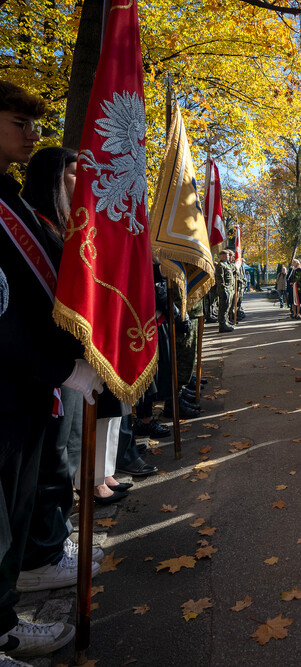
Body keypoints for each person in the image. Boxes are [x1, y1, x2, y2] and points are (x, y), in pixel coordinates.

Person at [0, 80, 105, 660]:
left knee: (14, 514)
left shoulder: (9, 197)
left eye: (34, 123)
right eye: (18, 122)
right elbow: (5, 317)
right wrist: (62, 367)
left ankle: (6, 620)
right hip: (11, 384)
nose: (32, 134)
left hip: (26, 387)